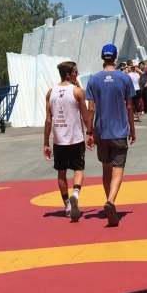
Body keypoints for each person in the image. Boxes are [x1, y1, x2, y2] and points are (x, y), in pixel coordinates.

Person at [86, 43, 137, 227]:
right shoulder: (124, 79)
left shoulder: (93, 80)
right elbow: (130, 106)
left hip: (101, 131)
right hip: (119, 130)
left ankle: (109, 201)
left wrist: (89, 132)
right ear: (115, 58)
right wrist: (132, 128)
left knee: (106, 170)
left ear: (102, 57)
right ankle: (111, 201)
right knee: (119, 168)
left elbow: (90, 110)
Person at [43, 61, 94, 222]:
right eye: (75, 72)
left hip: (59, 140)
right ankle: (76, 194)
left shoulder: (50, 93)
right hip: (75, 137)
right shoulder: (78, 92)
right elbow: (86, 116)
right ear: (68, 74)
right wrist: (90, 133)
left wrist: (46, 143)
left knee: (61, 172)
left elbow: (48, 121)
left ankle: (67, 206)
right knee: (78, 169)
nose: (77, 74)